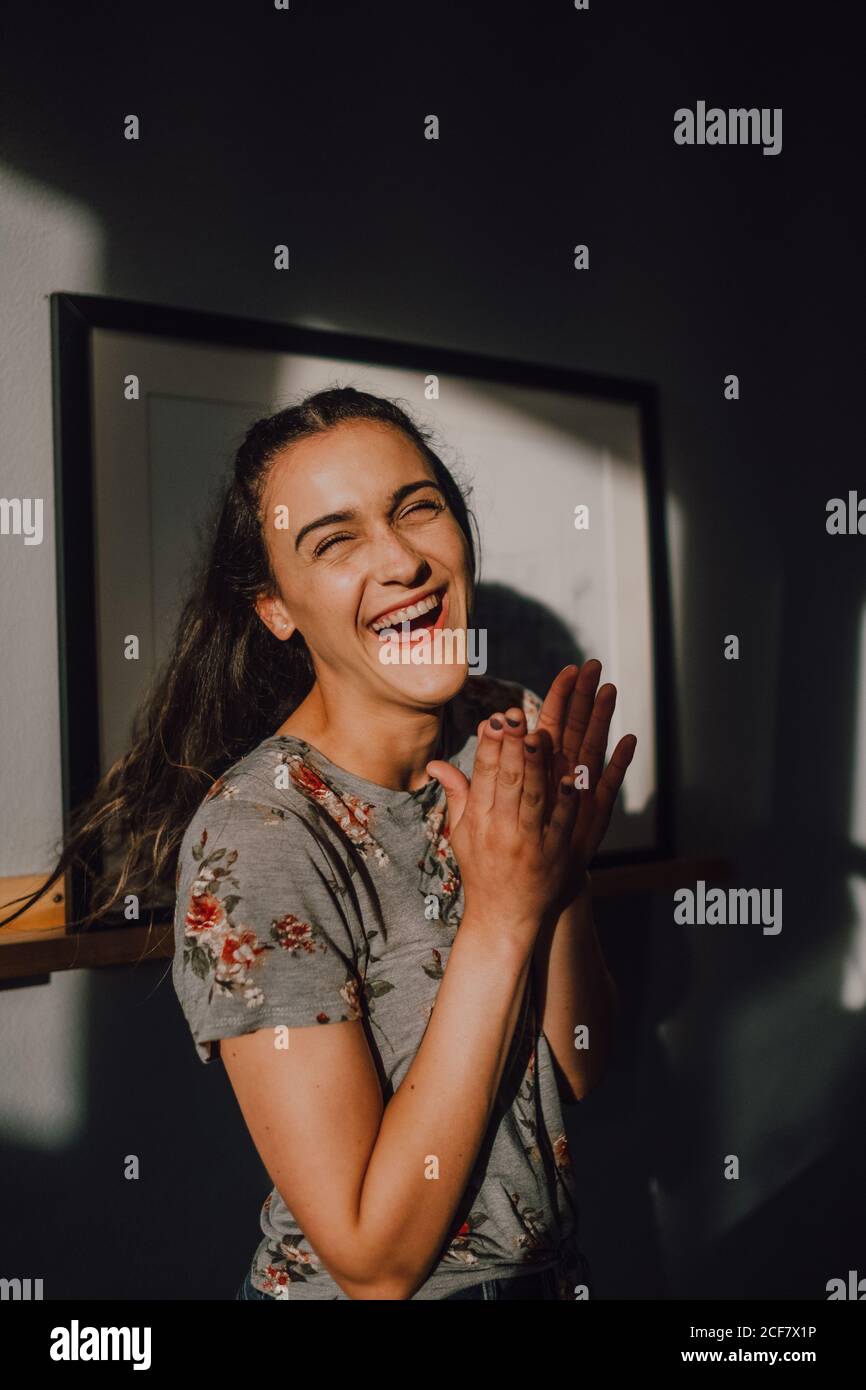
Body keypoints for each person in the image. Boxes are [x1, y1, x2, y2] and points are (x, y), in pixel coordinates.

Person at [3, 385, 636, 1300]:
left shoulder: (508, 729)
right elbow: (372, 1261)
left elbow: (580, 1063)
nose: (402, 561)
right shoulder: (258, 837)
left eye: (417, 508)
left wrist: (560, 876)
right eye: (335, 541)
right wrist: (503, 915)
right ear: (278, 610)